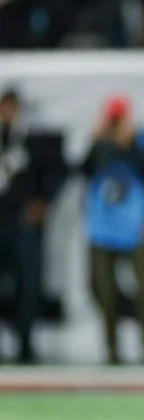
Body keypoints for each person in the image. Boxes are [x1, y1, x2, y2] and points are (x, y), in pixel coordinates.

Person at [82, 96, 144, 365]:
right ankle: (112, 350)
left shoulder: (140, 142)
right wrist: (97, 140)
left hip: (135, 224)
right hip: (104, 226)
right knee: (104, 290)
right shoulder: (99, 146)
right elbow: (85, 170)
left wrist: (128, 141)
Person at [0, 87, 66, 362]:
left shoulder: (31, 140)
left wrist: (43, 201)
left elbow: (58, 171)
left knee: (28, 283)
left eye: (11, 108)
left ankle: (25, 342)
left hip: (22, 222)